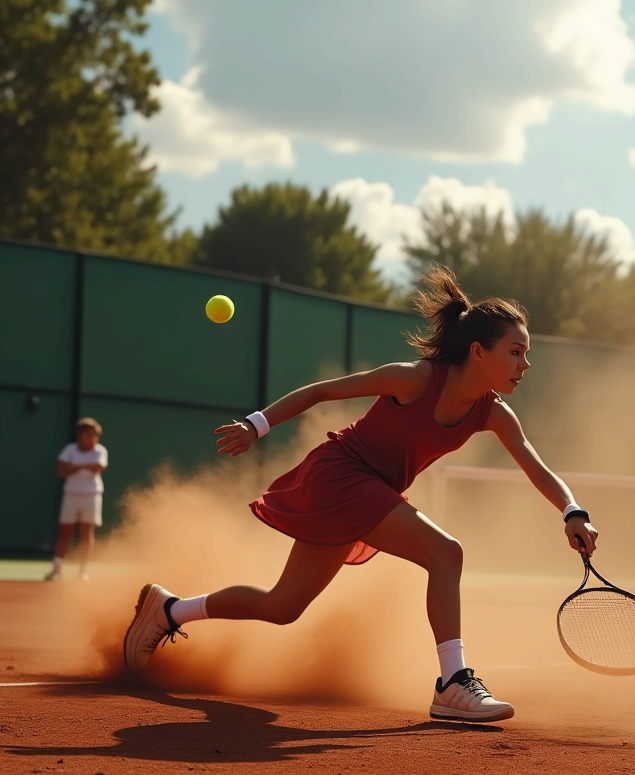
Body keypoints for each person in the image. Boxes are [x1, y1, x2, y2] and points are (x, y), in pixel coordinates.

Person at [122, 267, 598, 722]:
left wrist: (571, 510)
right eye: (515, 352)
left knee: (281, 607)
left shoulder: (492, 414)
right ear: (478, 351)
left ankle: (169, 609)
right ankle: (453, 683)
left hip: (370, 490)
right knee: (446, 553)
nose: (524, 363)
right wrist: (255, 424)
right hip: (341, 474)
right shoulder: (414, 379)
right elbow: (321, 392)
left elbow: (538, 468)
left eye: (526, 354)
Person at [46, 417, 108, 582]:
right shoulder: (70, 449)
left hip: (92, 496)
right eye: (89, 435)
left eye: (95, 435)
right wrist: (86, 466)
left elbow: (98, 467)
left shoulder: (100, 450)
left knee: (86, 534)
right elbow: (60, 471)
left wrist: (73, 467)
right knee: (65, 533)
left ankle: (83, 573)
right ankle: (56, 571)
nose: (93, 438)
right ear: (80, 435)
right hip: (71, 496)